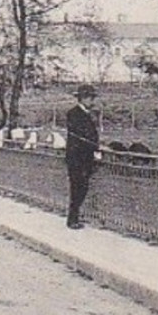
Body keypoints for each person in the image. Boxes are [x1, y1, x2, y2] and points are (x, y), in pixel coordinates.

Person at [64, 84, 101, 229]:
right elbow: (80, 136)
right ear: (83, 98)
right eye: (91, 98)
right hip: (77, 158)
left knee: (82, 187)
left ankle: (75, 217)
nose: (92, 101)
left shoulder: (85, 114)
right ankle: (72, 219)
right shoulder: (73, 114)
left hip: (84, 157)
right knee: (77, 188)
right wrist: (96, 146)